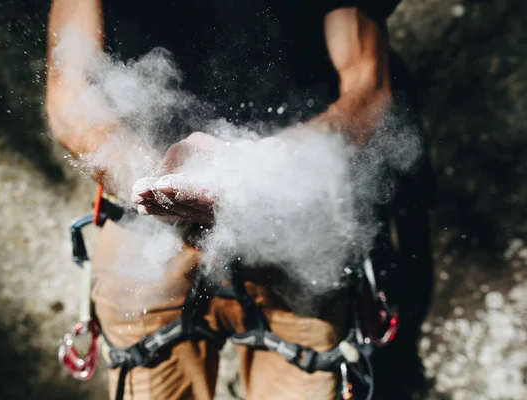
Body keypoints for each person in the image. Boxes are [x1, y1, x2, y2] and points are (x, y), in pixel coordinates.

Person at [46, 1, 434, 399]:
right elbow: (70, 97)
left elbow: (366, 92)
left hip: (294, 229)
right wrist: (150, 178)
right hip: (154, 240)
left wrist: (259, 170)